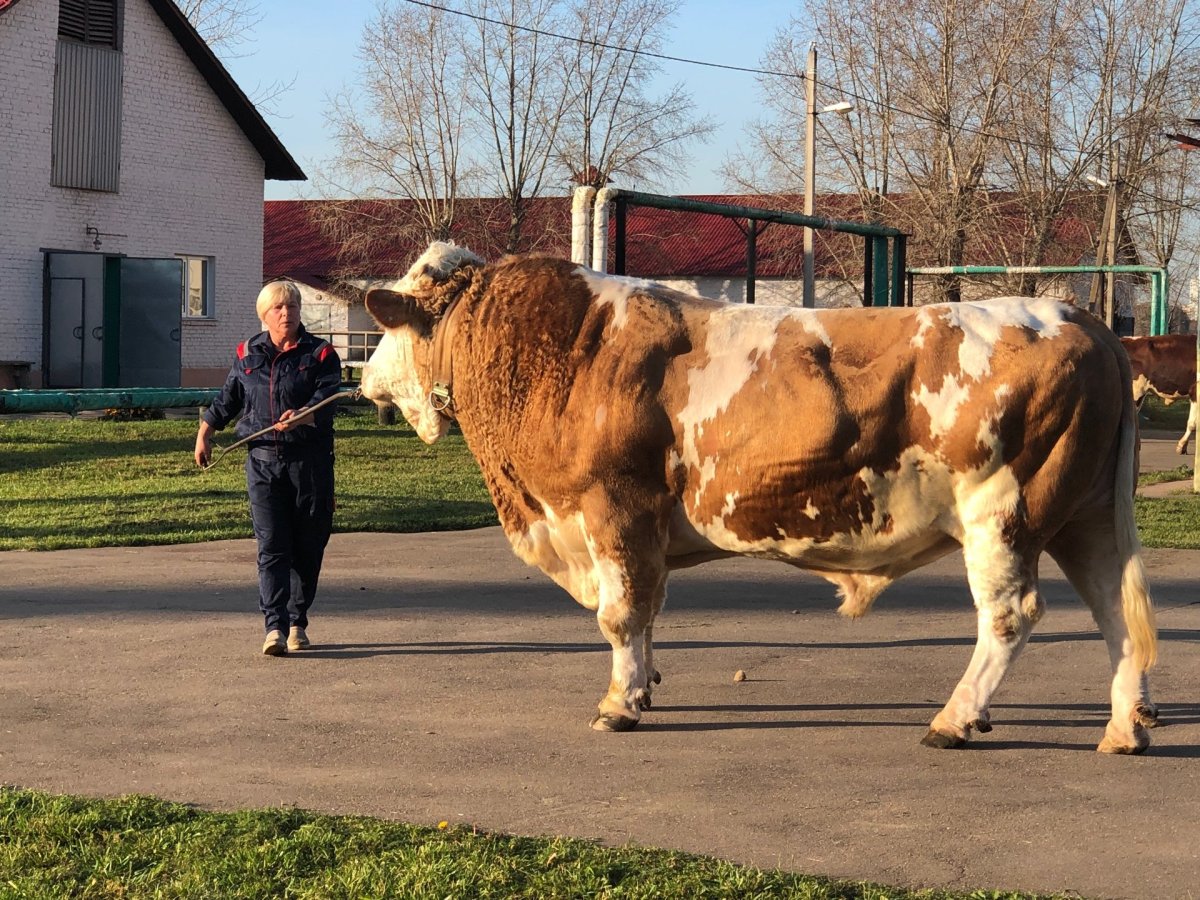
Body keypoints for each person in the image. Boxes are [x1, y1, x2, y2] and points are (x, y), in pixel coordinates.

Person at [194, 280, 342, 656]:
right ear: (264, 315)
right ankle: (274, 627)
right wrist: (205, 432)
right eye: (278, 308)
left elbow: (328, 397)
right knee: (272, 546)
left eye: (292, 307)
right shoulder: (247, 353)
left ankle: (297, 621)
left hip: (309, 465)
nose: (287, 313)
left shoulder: (321, 353)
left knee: (308, 545)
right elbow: (228, 398)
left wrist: (304, 416)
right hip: (263, 465)